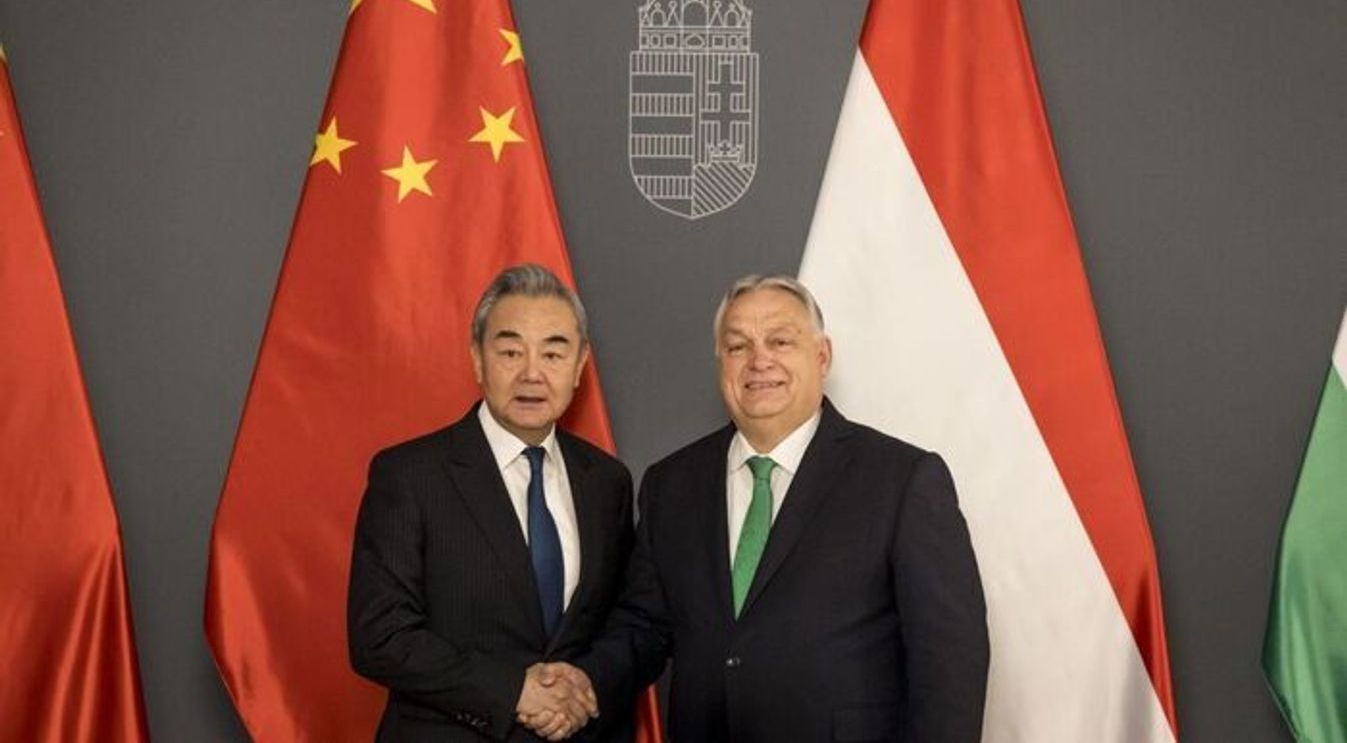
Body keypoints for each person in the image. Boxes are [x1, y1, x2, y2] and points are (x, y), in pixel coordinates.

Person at [554, 274, 990, 742]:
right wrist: (584, 682)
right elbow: (645, 625)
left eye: (780, 341)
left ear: (822, 356)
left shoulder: (902, 479)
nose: (759, 360)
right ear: (720, 362)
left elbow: (951, 660)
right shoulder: (671, 485)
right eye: (738, 346)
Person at [348, 264, 634, 742]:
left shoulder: (607, 481)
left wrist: (585, 683)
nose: (531, 373)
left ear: (580, 364)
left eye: (553, 353)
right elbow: (381, 635)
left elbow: (626, 618)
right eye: (510, 352)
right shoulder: (410, 475)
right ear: (478, 359)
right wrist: (511, 692)